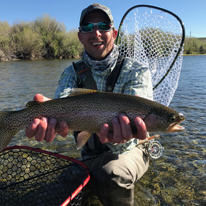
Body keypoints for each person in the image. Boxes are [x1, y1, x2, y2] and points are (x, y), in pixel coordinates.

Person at [25, 3, 153, 205]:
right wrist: (48, 116)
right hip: (89, 153)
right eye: (87, 27)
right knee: (65, 185)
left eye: (103, 26)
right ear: (80, 36)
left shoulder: (136, 71)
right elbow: (63, 102)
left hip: (130, 150)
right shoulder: (71, 72)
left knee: (112, 173)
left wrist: (119, 138)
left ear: (114, 33)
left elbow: (132, 138)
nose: (96, 32)